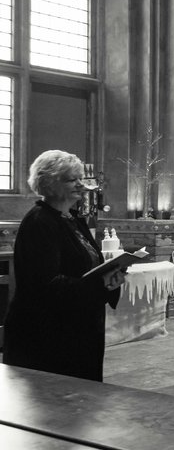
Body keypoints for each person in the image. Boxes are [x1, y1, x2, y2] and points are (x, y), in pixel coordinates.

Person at [3, 150, 127, 382]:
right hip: (48, 334)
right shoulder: (39, 222)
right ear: (49, 183)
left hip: (78, 327)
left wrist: (110, 279)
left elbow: (86, 265)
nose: (81, 185)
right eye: (72, 179)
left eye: (81, 178)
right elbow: (45, 284)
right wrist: (99, 285)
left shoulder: (73, 218)